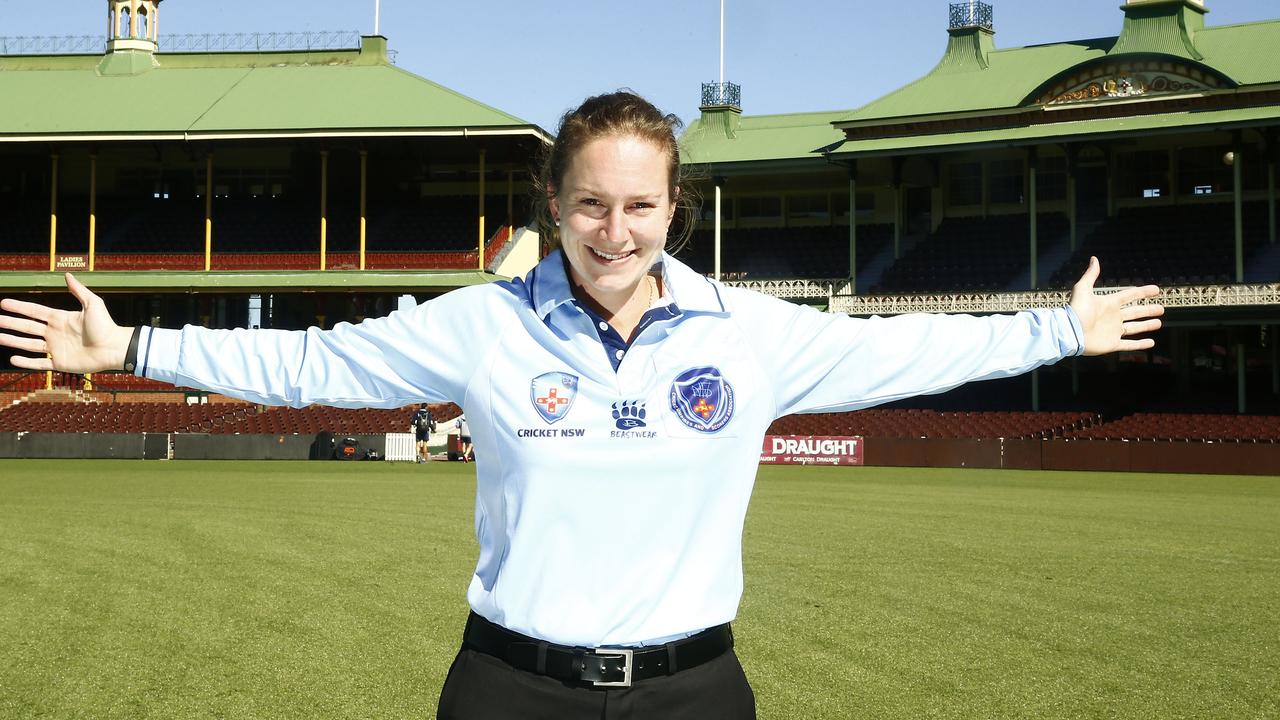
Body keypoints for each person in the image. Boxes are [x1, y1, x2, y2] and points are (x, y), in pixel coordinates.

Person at [0, 91, 1163, 719]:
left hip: (694, 691)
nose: (615, 230)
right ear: (552, 203)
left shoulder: (747, 333)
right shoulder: (480, 322)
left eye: (639, 205)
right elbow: (313, 366)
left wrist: (1059, 328)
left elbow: (905, 349)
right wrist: (135, 341)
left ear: (673, 209)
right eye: (590, 204)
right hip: (510, 687)